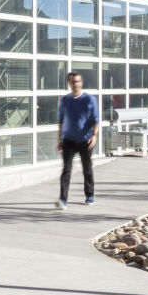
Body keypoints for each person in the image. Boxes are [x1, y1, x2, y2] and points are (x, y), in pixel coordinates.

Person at [56, 70, 98, 209]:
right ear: (69, 83)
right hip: (68, 140)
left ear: (82, 82)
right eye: (73, 82)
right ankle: (63, 199)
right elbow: (61, 120)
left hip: (85, 140)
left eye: (78, 81)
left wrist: (94, 136)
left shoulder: (89, 99)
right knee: (66, 170)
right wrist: (60, 139)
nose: (76, 84)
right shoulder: (65, 100)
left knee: (87, 169)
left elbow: (95, 120)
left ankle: (90, 194)